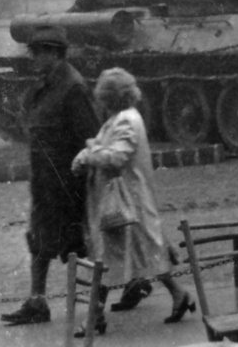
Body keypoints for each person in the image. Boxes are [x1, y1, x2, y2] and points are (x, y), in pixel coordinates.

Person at [72, 68, 195, 335]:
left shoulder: (125, 120)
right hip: (131, 202)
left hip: (125, 204)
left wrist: (87, 156)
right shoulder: (125, 117)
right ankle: (178, 294)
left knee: (105, 259)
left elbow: (117, 157)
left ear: (109, 97)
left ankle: (95, 317)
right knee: (146, 252)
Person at [0, 25, 100, 326]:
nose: (33, 58)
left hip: (67, 185)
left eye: (39, 53)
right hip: (45, 183)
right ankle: (37, 302)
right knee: (40, 240)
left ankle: (108, 296)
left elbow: (90, 138)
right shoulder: (46, 86)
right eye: (33, 52)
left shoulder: (73, 88)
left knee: (80, 244)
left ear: (55, 54)